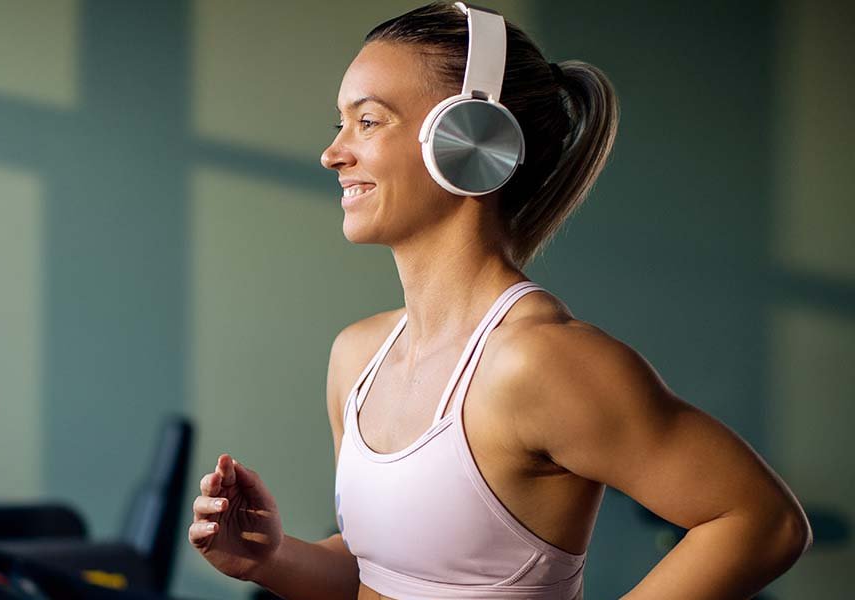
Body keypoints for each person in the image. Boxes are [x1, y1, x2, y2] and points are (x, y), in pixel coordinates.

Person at [187, 3, 811, 599]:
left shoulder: (539, 362)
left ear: (467, 135)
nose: (333, 152)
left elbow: (763, 520)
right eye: (339, 123)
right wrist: (269, 559)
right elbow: (375, 579)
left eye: (369, 121)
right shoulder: (356, 357)